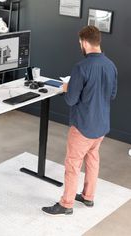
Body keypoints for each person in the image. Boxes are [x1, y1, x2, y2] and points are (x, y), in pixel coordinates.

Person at [42, 26, 117, 216]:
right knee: (92, 159)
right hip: (101, 125)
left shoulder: (81, 67)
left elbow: (70, 100)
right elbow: (112, 94)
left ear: (84, 42)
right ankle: (88, 196)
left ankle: (66, 204)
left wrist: (68, 87)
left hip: (83, 126)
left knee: (72, 165)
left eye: (79, 43)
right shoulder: (111, 66)